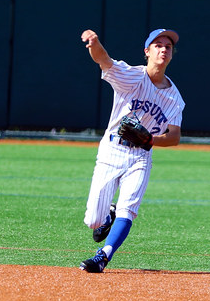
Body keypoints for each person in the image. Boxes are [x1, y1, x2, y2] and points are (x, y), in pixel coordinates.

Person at [78, 28, 186, 273]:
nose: (164, 49)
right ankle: (106, 218)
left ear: (171, 55)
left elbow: (175, 136)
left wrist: (150, 140)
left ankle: (103, 256)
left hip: (140, 156)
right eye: (158, 45)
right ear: (147, 51)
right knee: (92, 220)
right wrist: (94, 43)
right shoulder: (132, 77)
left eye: (168, 46)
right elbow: (104, 60)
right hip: (111, 150)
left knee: (129, 208)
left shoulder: (174, 98)